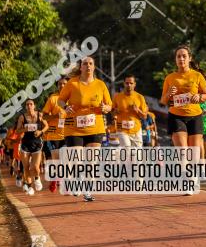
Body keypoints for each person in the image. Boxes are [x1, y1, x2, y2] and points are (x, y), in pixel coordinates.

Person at [58, 56, 112, 202]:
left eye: (90, 63)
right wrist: (65, 107)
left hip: (95, 127)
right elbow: (60, 100)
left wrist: (105, 108)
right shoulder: (72, 83)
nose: (88, 66)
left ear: (94, 67)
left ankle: (87, 190)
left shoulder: (101, 85)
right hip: (74, 128)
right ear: (80, 67)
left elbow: (109, 105)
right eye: (85, 64)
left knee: (91, 161)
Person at [160, 46, 206, 153]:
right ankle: (183, 169)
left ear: (189, 58)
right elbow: (163, 101)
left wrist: (199, 97)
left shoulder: (197, 76)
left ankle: (190, 169)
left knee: (194, 155)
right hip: (176, 117)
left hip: (195, 117)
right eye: (178, 56)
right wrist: (168, 94)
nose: (181, 59)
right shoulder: (170, 78)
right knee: (183, 151)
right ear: (175, 59)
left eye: (184, 56)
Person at [15, 99, 48, 195]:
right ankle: (29, 186)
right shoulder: (22, 117)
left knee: (35, 167)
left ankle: (37, 178)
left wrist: (40, 132)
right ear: (25, 107)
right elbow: (17, 131)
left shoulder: (39, 115)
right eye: (27, 104)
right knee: (26, 167)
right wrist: (24, 129)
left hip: (37, 143)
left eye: (31, 104)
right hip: (25, 144)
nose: (29, 106)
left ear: (34, 106)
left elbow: (46, 126)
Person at [42, 77, 68, 192]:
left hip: (68, 134)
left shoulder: (72, 98)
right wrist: (54, 116)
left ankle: (61, 178)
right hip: (53, 135)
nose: (62, 86)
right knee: (56, 159)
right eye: (60, 84)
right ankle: (56, 179)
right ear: (57, 86)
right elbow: (44, 116)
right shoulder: (53, 99)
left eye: (64, 84)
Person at [111, 75, 148, 149]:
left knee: (136, 156)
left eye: (131, 83)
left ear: (135, 84)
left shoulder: (140, 97)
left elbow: (144, 116)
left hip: (136, 130)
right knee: (127, 149)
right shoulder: (117, 97)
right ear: (124, 84)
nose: (129, 85)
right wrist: (115, 112)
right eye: (127, 83)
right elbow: (112, 112)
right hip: (121, 128)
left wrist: (137, 110)